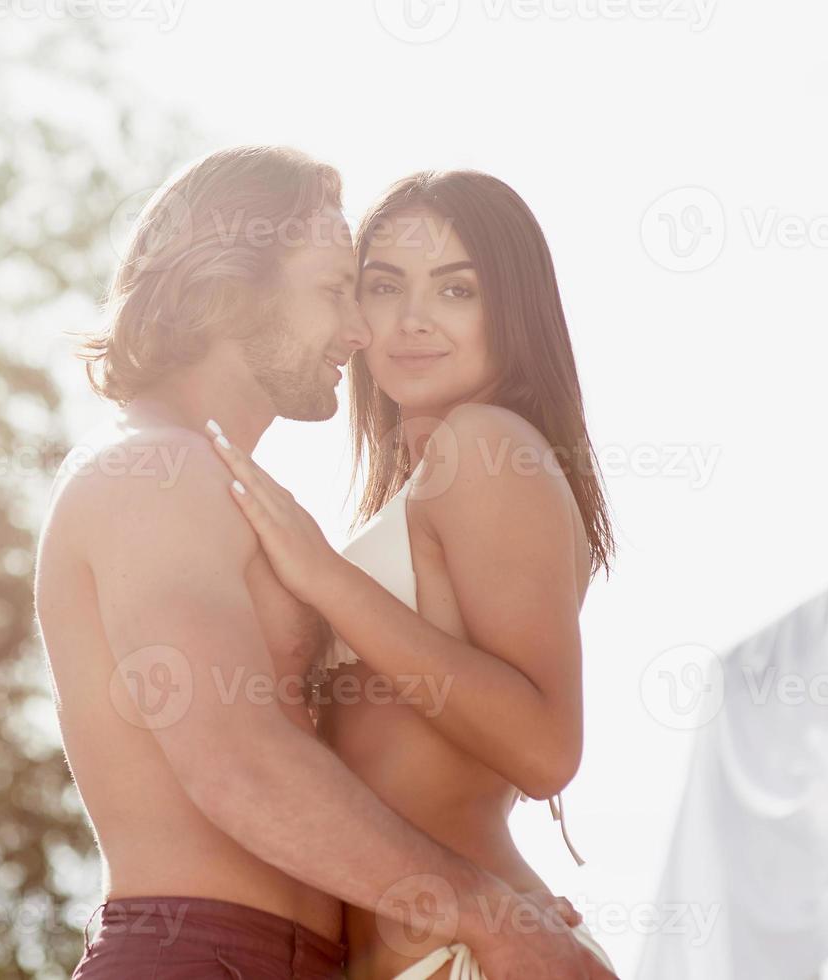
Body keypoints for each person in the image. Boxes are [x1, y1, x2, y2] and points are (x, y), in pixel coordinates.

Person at [34, 146, 617, 979]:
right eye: (344, 289)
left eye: (455, 288)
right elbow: (239, 761)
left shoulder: (255, 501)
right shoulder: (147, 472)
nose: (364, 330)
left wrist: (481, 906)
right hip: (206, 953)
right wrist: (482, 909)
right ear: (230, 288)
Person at [204, 169, 619, 978]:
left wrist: (327, 579)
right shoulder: (430, 481)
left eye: (457, 290)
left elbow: (544, 749)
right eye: (384, 286)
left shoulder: (486, 444)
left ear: (514, 309)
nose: (414, 320)